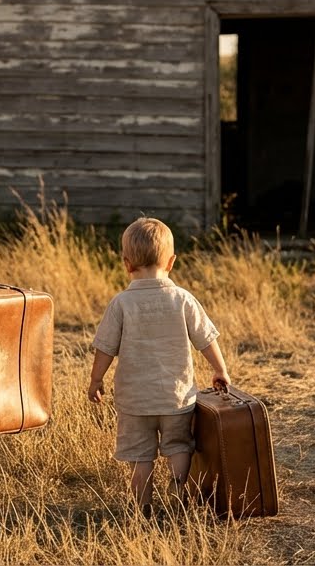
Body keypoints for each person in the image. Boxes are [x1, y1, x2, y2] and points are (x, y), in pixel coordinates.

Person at [87, 217, 231, 516]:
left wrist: (96, 380)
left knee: (141, 457)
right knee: (178, 446)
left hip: (135, 401)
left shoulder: (122, 303)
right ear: (172, 261)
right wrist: (220, 369)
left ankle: (144, 508)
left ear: (127, 264)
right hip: (175, 398)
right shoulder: (182, 299)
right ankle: (178, 495)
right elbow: (205, 339)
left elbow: (105, 348)